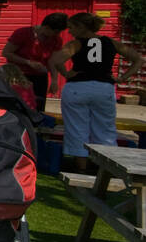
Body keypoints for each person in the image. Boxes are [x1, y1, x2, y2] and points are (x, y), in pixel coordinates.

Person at [48, 12, 143, 171]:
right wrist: (123, 78)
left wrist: (65, 73)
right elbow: (139, 59)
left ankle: (82, 169)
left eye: (71, 28)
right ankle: (104, 170)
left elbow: (55, 61)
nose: (69, 32)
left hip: (78, 87)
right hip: (103, 87)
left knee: (77, 129)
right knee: (105, 130)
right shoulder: (111, 42)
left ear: (81, 27)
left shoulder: (75, 44)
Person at [3, 13, 68, 113]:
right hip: (18, 75)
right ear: (46, 27)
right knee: (18, 106)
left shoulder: (56, 40)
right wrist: (28, 62)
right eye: (55, 31)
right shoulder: (23, 33)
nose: (57, 34)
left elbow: (52, 61)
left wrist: (54, 80)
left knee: (38, 106)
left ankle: (36, 127)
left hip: (40, 76)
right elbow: (7, 53)